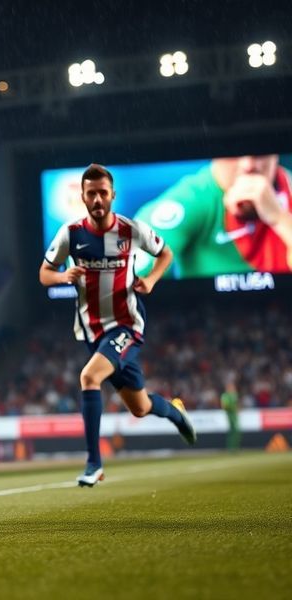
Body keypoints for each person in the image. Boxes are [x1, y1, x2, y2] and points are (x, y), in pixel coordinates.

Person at [39, 163, 197, 487]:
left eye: (102, 193)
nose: (97, 199)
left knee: (89, 376)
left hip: (126, 325)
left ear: (113, 195)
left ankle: (93, 464)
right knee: (140, 407)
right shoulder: (71, 234)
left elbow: (165, 253)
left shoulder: (130, 230)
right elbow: (44, 273)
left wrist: (151, 279)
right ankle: (176, 412)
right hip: (91, 331)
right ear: (82, 197)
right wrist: (61, 275)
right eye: (91, 194)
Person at [134, 155, 292, 277]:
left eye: (260, 151)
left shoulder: (288, 186)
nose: (248, 165)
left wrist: (279, 218)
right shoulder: (190, 201)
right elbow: (123, 276)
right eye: (233, 151)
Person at [220, 380, 240, 451]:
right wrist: (231, 408)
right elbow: (224, 406)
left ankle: (235, 447)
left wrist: (237, 410)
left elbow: (237, 404)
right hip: (230, 414)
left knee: (236, 431)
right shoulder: (225, 395)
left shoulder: (234, 395)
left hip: (234, 414)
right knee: (233, 431)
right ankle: (231, 448)